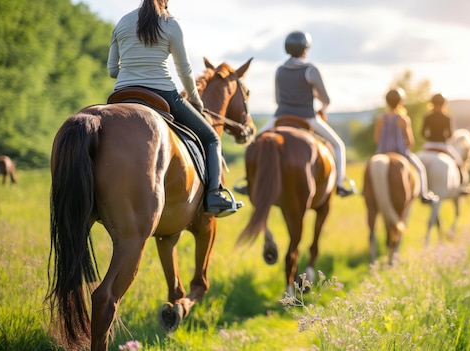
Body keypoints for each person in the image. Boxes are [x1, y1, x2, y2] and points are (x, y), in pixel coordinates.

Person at [107, 0, 242, 216]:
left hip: (122, 94)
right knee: (211, 138)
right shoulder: (171, 23)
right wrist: (196, 99)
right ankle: (214, 196)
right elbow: (185, 70)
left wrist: (134, 65)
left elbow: (113, 70)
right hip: (162, 94)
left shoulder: (122, 22)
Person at [256, 30, 356, 197]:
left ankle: (249, 180)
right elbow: (326, 100)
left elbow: (277, 99)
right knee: (339, 146)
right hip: (308, 118)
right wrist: (321, 107)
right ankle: (340, 184)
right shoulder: (310, 70)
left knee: (256, 142)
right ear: (305, 49)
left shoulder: (280, 70)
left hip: (280, 116)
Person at [374, 88, 439, 204]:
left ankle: (365, 190)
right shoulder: (403, 119)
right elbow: (410, 142)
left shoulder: (380, 118)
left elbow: (377, 139)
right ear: (400, 102)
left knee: (370, 167)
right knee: (420, 169)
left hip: (382, 153)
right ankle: (424, 194)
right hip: (401, 153)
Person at [421, 93, 470, 195]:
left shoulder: (427, 117)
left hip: (428, 145)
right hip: (442, 146)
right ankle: (462, 186)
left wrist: (430, 137)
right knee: (459, 163)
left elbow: (422, 133)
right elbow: (449, 135)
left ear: (432, 104)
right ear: (444, 104)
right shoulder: (447, 118)